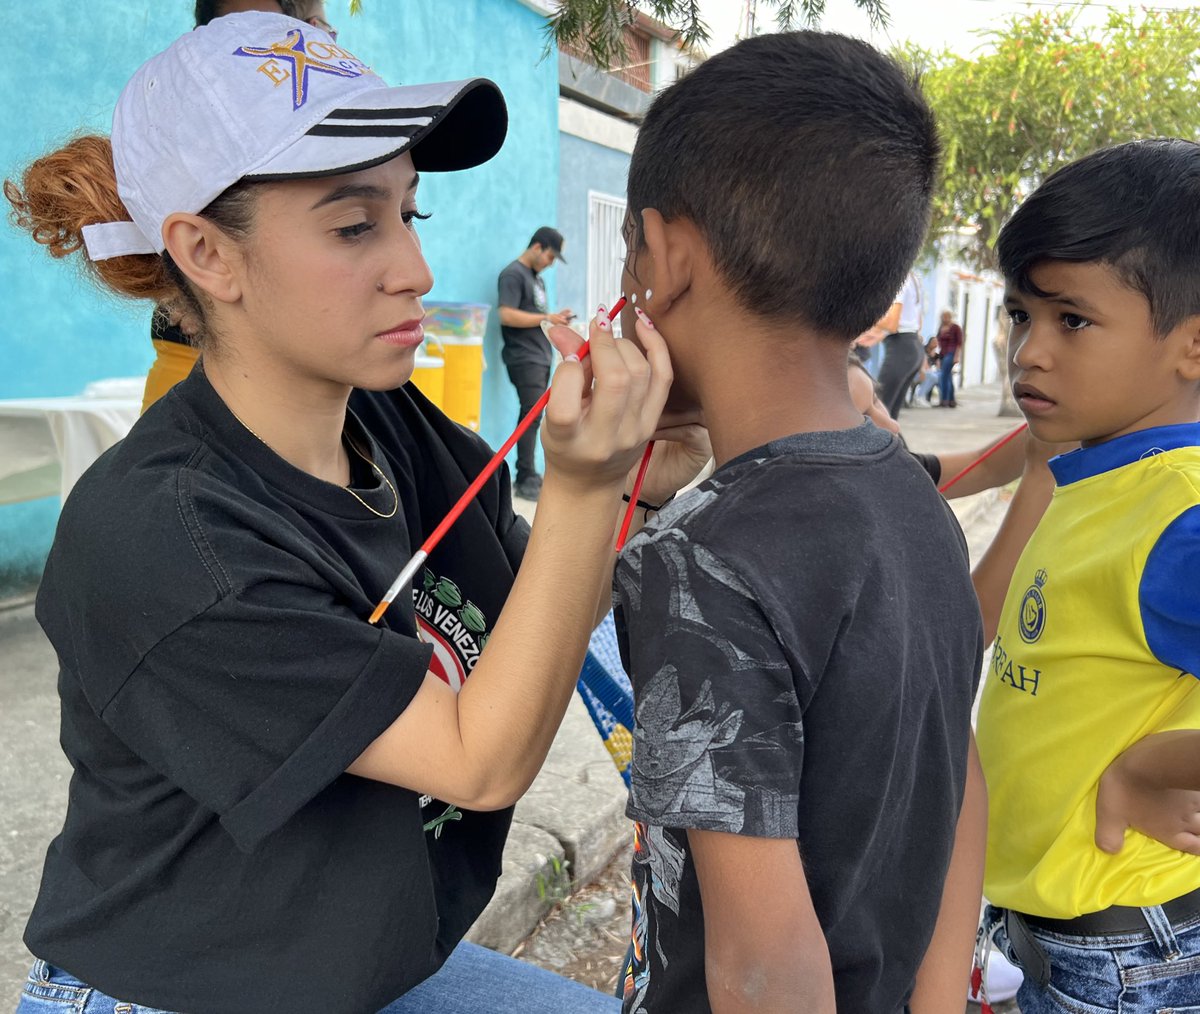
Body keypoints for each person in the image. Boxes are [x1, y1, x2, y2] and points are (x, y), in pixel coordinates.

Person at [4, 14, 705, 1013]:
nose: (414, 270)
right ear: (208, 253)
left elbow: (530, 609)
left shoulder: (383, 420)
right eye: (351, 225)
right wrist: (588, 487)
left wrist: (639, 479)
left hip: (343, 966)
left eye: (407, 215)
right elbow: (480, 754)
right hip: (179, 989)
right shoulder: (165, 540)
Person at [606, 31, 985, 1013]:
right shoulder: (913, 499)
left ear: (668, 256)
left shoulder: (698, 561)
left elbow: (766, 968)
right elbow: (960, 778)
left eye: (628, 258)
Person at [976, 138, 1200, 1013]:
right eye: (1019, 315)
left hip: (1125, 951)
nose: (1029, 351)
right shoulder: (1099, 468)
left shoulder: (1178, 515)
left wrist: (1149, 771)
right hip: (1049, 928)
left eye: (1071, 320)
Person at [497, 227, 574, 501]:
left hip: (539, 355)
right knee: (530, 415)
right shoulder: (512, 275)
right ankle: (525, 476)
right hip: (523, 356)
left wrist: (555, 319)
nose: (551, 263)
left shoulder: (536, 279)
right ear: (538, 247)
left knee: (535, 415)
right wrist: (549, 318)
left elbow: (534, 315)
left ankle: (529, 473)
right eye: (551, 256)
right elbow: (506, 315)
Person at [865, 268, 926, 421]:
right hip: (911, 347)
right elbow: (916, 323)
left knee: (877, 412)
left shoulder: (898, 279)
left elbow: (892, 323)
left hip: (901, 349)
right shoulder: (913, 278)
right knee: (889, 415)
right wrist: (872, 336)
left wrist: (860, 318)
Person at [936, 308, 963, 408]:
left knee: (943, 376)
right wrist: (938, 358)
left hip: (951, 353)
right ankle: (951, 401)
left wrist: (957, 356)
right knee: (948, 377)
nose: (945, 318)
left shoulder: (956, 328)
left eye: (947, 316)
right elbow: (938, 343)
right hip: (943, 354)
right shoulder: (941, 327)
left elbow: (959, 344)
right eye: (944, 316)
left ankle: (944, 400)